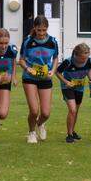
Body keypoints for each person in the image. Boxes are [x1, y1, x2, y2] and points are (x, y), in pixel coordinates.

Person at [19, 15, 59, 144]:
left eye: (44, 30)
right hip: (30, 78)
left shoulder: (53, 41)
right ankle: (31, 132)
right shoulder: (28, 41)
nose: (41, 33)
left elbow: (56, 58)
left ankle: (40, 124)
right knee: (34, 110)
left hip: (45, 78)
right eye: (39, 30)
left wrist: (53, 70)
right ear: (34, 28)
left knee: (46, 113)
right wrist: (27, 68)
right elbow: (21, 60)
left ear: (47, 29)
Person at [56, 43, 91, 143]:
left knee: (75, 111)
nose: (84, 61)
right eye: (82, 59)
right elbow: (57, 72)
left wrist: (90, 78)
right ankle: (69, 134)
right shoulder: (68, 61)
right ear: (76, 55)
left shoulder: (89, 61)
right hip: (68, 87)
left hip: (80, 88)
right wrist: (66, 82)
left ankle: (73, 131)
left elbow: (89, 68)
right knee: (72, 110)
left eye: (85, 58)